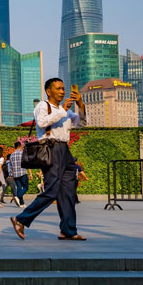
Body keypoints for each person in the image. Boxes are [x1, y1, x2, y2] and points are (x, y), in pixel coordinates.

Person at [10, 77, 87, 241]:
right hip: (51, 149)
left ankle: (68, 230)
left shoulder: (65, 110)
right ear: (48, 91)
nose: (62, 92)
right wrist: (62, 110)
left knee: (68, 192)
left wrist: (80, 104)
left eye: (63, 89)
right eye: (58, 89)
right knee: (51, 191)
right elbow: (42, 122)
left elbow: (81, 124)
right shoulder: (43, 106)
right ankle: (21, 219)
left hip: (65, 150)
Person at [8, 141, 30, 208]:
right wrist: (30, 173)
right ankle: (17, 196)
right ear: (20, 146)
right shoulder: (22, 153)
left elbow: (11, 166)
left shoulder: (11, 155)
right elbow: (26, 163)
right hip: (22, 172)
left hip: (15, 174)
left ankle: (21, 203)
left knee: (19, 188)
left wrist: (11, 174)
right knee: (26, 187)